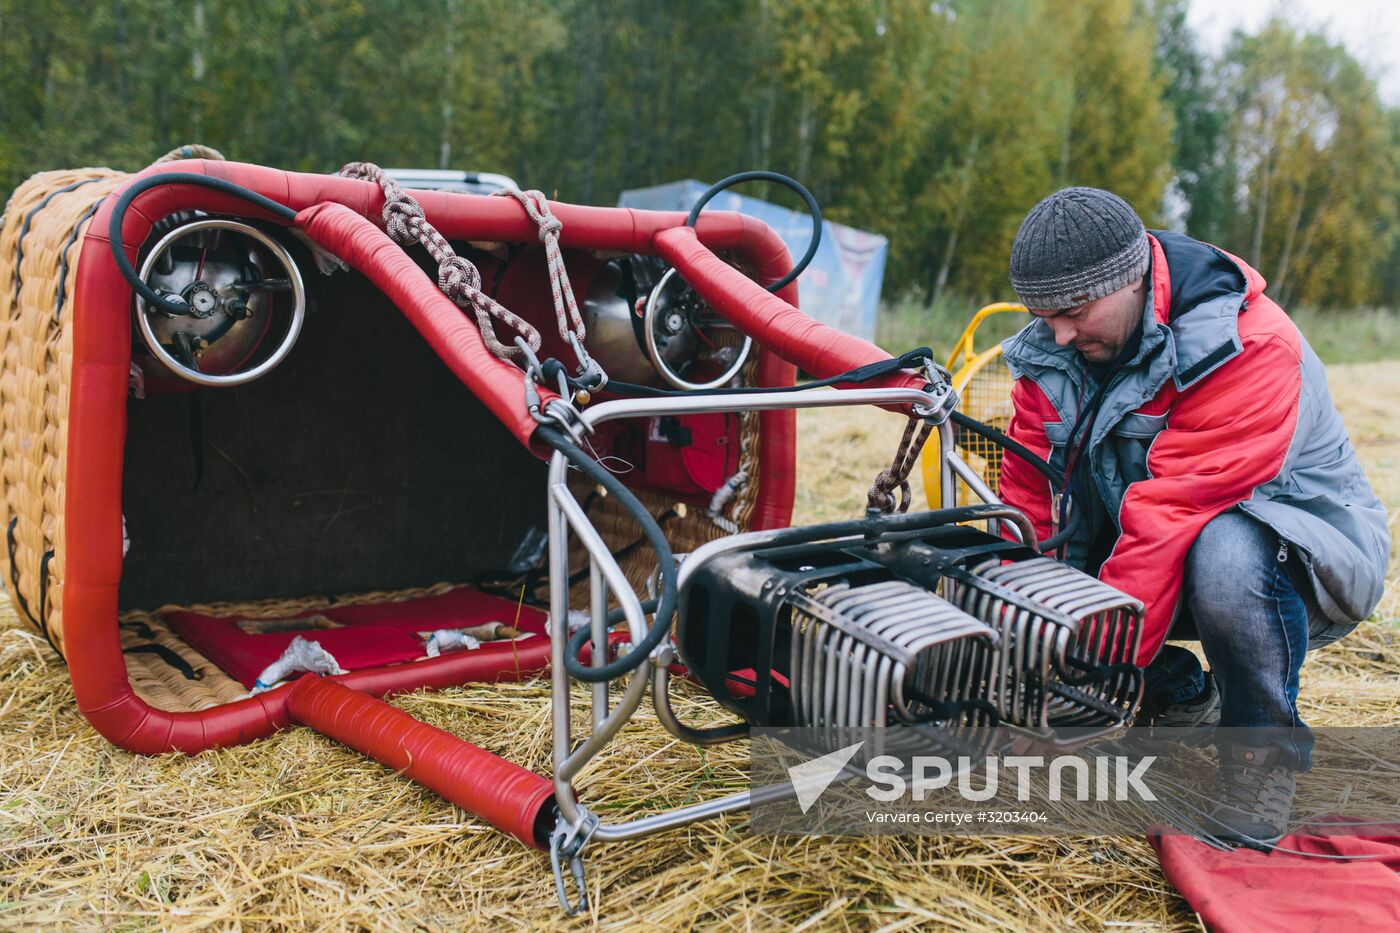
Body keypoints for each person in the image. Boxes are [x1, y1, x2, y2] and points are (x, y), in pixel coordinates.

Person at [996, 186, 1391, 845]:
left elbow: (1165, 523)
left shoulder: (1249, 347)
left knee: (1227, 552)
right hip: (1157, 547)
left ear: (1128, 278)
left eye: (1072, 311)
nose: (1057, 333)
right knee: (1042, 552)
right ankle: (1180, 697)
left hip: (1302, 566)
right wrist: (1027, 670)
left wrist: (1080, 701)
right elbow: (1032, 513)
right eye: (1042, 314)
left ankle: (1258, 762)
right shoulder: (1052, 354)